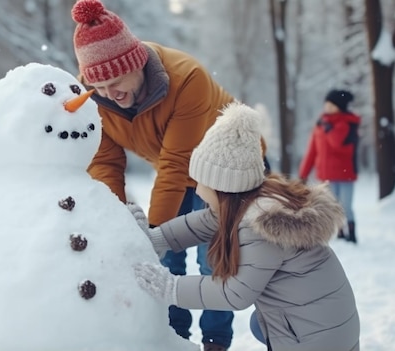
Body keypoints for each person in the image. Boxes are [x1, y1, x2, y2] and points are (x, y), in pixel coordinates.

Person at [70, 0, 243, 349]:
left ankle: (215, 340)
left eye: (116, 82)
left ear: (135, 64)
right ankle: (174, 336)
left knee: (213, 261)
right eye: (99, 87)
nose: (109, 95)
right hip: (177, 168)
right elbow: (106, 164)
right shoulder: (96, 97)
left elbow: (176, 164)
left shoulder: (186, 79)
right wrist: (117, 220)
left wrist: (150, 233)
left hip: (227, 169)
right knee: (168, 259)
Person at [131, 102, 360, 351]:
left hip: (319, 339)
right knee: (259, 323)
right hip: (326, 322)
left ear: (222, 186)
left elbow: (235, 294)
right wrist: (158, 238)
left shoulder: (261, 225)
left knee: (263, 322)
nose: (196, 189)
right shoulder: (251, 200)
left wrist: (172, 288)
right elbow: (204, 222)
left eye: (201, 182)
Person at [299, 89, 361, 243]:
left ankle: (352, 232)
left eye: (330, 104)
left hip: (345, 174)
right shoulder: (321, 124)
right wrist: (303, 173)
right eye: (326, 104)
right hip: (326, 175)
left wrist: (328, 128)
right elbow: (312, 151)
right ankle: (339, 232)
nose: (326, 106)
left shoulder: (345, 123)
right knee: (332, 205)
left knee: (346, 206)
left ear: (338, 106)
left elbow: (337, 144)